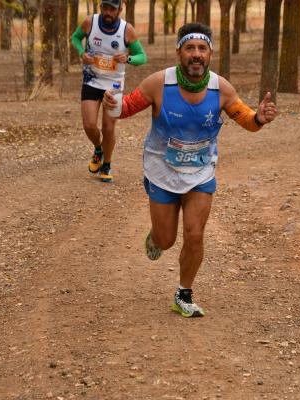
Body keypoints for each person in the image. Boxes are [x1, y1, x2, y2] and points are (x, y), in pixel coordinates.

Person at [103, 23, 277, 318]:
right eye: (190, 48)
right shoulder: (159, 83)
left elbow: (245, 119)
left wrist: (258, 118)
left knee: (195, 235)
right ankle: (156, 237)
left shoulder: (220, 89)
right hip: (162, 170)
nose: (196, 55)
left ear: (210, 54)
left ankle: (184, 294)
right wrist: (112, 104)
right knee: (167, 239)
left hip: (200, 173)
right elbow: (127, 108)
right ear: (179, 53)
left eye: (202, 49)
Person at [71, 0, 147, 182]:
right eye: (105, 7)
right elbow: (75, 38)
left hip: (113, 86)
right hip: (91, 80)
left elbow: (142, 57)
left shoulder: (127, 30)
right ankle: (98, 149)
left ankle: (107, 165)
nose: (108, 12)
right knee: (89, 125)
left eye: (112, 9)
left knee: (108, 128)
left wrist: (128, 58)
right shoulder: (90, 22)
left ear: (120, 9)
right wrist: (82, 52)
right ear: (101, 8)